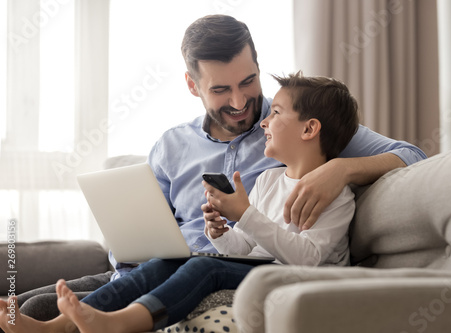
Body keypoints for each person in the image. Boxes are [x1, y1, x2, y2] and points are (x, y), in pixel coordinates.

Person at [8, 13, 426, 325]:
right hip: (153, 268)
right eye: (221, 89)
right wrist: (214, 231)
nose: (242, 102)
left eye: (248, 82)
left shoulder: (300, 125)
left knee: (41, 308)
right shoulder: (173, 146)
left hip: (216, 272)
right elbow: (141, 235)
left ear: (258, 69)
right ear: (193, 86)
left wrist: (343, 171)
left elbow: (413, 157)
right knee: (29, 305)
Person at [0, 70, 360, 333]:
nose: (265, 120)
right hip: (260, 267)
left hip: (298, 278)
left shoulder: (336, 194)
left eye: (277, 113)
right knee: (169, 261)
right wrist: (220, 233)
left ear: (310, 130)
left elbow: (308, 258)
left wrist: (245, 214)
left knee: (208, 268)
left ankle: (124, 323)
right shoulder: (269, 178)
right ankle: (61, 326)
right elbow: (248, 246)